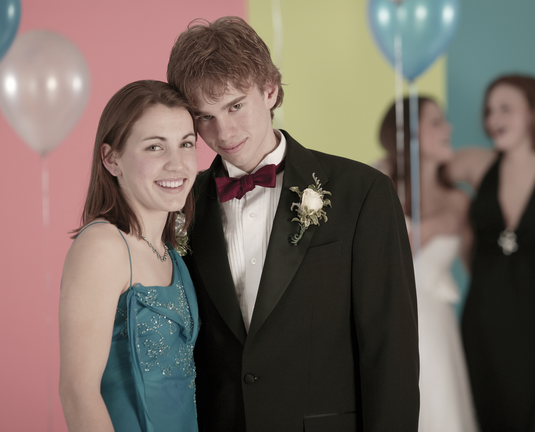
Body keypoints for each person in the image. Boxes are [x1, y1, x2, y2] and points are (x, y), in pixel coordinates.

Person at [166, 16, 419, 432]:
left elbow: (391, 351)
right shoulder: (181, 205)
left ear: (270, 90)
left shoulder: (363, 192)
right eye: (204, 116)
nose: (223, 132)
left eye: (235, 105)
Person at [58, 80, 200, 432]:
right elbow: (78, 391)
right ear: (111, 159)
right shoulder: (104, 246)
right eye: (155, 147)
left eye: (186, 144)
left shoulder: (171, 254)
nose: (177, 163)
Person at [448, 74, 535, 432]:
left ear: (534, 112)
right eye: (490, 110)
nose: (494, 119)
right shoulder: (477, 163)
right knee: (485, 408)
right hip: (484, 314)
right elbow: (415, 166)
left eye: (506, 108)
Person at [379, 96, 479, 432]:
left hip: (437, 324)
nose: (448, 128)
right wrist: (433, 228)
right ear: (409, 135)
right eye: (436, 122)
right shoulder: (379, 184)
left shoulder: (459, 200)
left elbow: (477, 268)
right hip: (391, 317)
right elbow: (380, 261)